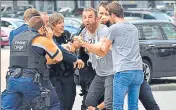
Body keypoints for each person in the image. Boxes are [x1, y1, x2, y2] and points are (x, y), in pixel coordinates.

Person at [87, 2, 160, 110]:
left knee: (117, 106)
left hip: (123, 71)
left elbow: (103, 49)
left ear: (112, 15)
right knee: (133, 106)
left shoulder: (114, 28)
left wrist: (88, 44)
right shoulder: (133, 28)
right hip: (137, 72)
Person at [1, 16, 62, 110]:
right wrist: (49, 39)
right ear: (42, 28)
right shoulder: (40, 39)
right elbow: (59, 57)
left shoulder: (17, 37)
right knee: (52, 105)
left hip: (12, 79)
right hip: (30, 80)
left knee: (7, 107)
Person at [48, 13, 84, 110]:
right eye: (59, 23)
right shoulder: (49, 38)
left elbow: (76, 43)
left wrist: (72, 46)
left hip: (69, 76)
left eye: (63, 22)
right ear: (52, 25)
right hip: (55, 77)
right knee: (59, 105)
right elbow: (58, 51)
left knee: (69, 104)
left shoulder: (67, 34)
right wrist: (65, 49)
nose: (62, 25)